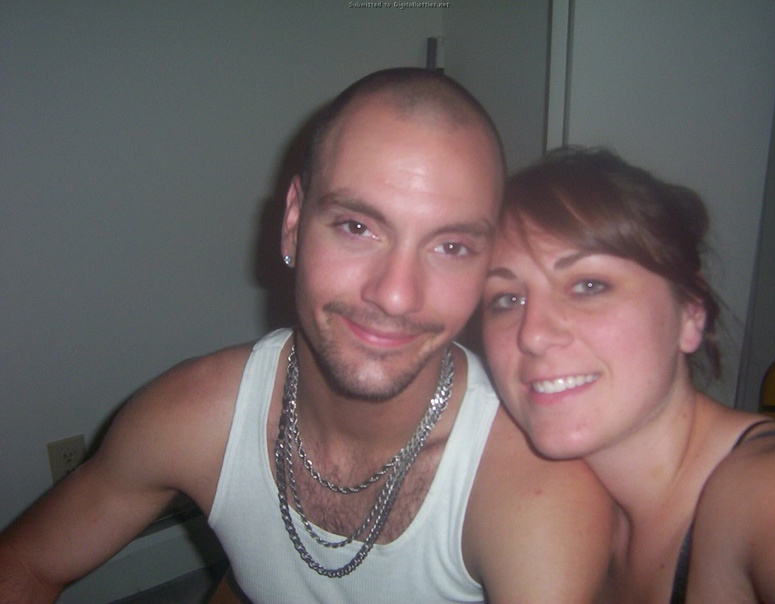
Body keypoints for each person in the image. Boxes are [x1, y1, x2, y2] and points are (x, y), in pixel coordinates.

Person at [0, 69, 613, 604]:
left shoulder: (532, 492)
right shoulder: (194, 418)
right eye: (357, 227)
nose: (395, 295)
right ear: (293, 222)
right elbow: (27, 563)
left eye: (451, 246)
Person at [481, 146, 775, 603]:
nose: (532, 334)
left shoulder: (773, 491)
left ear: (690, 312)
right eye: (506, 299)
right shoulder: (558, 504)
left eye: (589, 286)